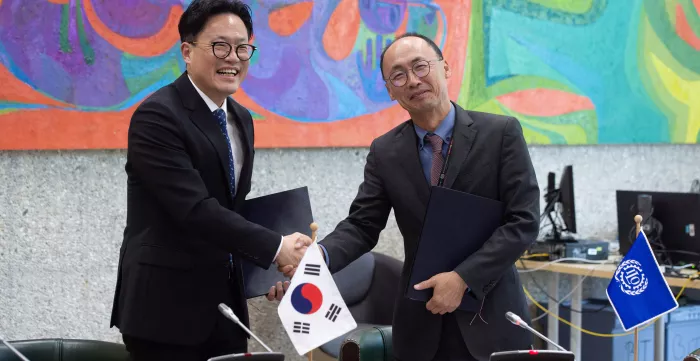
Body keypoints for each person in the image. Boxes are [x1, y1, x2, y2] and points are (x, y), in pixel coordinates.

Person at [272, 33, 541, 361]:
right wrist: (318, 258)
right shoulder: (385, 151)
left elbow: (523, 221)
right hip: (421, 324)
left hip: (492, 316)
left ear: (446, 68)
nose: (413, 80)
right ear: (389, 89)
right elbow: (362, 225)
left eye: (420, 66)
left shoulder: (500, 135)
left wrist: (463, 279)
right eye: (398, 75)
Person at [109, 1, 312, 360]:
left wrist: (269, 268)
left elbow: (231, 210)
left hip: (226, 311)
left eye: (242, 47)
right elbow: (194, 210)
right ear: (187, 51)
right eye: (219, 45)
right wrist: (275, 246)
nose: (232, 57)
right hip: (164, 313)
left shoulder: (242, 118)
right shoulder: (157, 116)